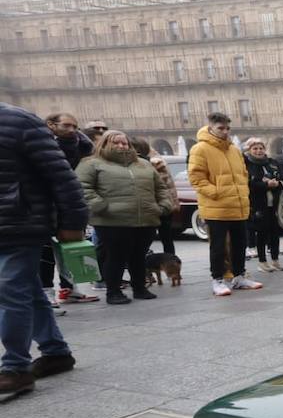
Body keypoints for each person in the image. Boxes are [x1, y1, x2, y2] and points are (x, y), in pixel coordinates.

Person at [0, 103, 89, 398]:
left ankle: (16, 368)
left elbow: (62, 177)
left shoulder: (19, 121)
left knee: (10, 289)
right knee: (26, 288)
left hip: (21, 221)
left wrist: (73, 223)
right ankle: (56, 352)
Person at [76, 130, 174, 303]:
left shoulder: (143, 164)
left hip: (146, 219)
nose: (121, 146)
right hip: (112, 220)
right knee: (116, 256)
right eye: (116, 142)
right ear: (104, 144)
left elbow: (160, 187)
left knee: (138, 255)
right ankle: (113, 292)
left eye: (124, 143)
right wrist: (100, 206)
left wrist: (162, 206)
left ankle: (140, 288)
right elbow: (82, 188)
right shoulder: (91, 163)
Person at [187, 113, 262, 296]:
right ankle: (218, 279)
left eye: (228, 128)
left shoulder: (234, 149)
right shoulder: (200, 149)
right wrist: (216, 193)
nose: (225, 132)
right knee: (218, 246)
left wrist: (243, 193)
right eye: (221, 128)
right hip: (216, 207)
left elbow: (243, 174)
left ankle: (238, 276)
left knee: (239, 243)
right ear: (211, 127)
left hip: (237, 205)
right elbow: (196, 178)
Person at [40, 113, 99, 304]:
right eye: (66, 125)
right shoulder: (40, 143)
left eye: (75, 126)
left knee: (71, 247)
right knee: (46, 250)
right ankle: (47, 292)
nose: (72, 130)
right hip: (45, 202)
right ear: (51, 125)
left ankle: (69, 288)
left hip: (70, 201)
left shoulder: (82, 146)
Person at [128, 134, 179, 255]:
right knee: (164, 238)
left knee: (154, 238)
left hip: (156, 206)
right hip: (162, 205)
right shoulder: (156, 163)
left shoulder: (151, 164)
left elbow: (163, 185)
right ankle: (169, 264)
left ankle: (168, 263)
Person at [243, 138, 283, 273]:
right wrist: (265, 184)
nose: (258, 151)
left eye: (261, 148)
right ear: (249, 150)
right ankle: (262, 262)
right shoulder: (247, 165)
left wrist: (276, 182)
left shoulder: (272, 163)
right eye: (255, 148)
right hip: (258, 204)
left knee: (275, 232)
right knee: (261, 233)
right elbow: (248, 183)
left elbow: (282, 177)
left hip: (274, 202)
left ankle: (275, 259)